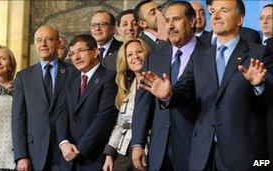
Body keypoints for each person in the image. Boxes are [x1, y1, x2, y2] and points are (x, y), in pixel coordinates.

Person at [139, 0, 273, 170]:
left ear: (239, 19)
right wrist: (168, 94)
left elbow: (270, 96)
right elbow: (183, 91)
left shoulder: (257, 53)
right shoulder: (201, 56)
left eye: (223, 10)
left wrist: (259, 84)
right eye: (213, 12)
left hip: (243, 152)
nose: (215, 16)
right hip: (203, 152)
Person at [131, 1, 207, 171]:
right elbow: (143, 104)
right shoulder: (154, 57)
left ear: (192, 21)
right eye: (166, 20)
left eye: (176, 20)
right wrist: (137, 143)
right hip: (159, 150)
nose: (170, 26)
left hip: (195, 147)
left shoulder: (209, 53)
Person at [56, 34, 118, 170]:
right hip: (67, 159)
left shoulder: (109, 78)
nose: (76, 57)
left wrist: (79, 149)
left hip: (93, 158)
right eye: (72, 53)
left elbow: (104, 118)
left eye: (81, 51)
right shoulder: (70, 81)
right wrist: (64, 143)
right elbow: (61, 115)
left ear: (95, 52)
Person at [12, 26, 70, 171]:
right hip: (33, 153)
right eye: (39, 40)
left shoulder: (72, 72)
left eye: (48, 40)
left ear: (58, 43)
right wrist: (21, 156)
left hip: (65, 152)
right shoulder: (23, 77)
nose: (43, 44)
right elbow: (18, 118)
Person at [102, 38, 150, 171]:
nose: (135, 56)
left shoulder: (156, 82)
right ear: (126, 62)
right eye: (129, 54)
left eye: (139, 51)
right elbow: (121, 123)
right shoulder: (128, 88)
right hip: (123, 151)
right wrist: (110, 154)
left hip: (148, 150)